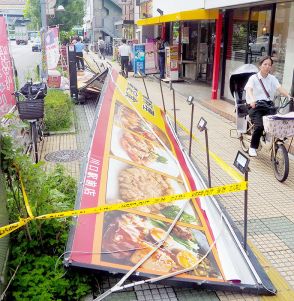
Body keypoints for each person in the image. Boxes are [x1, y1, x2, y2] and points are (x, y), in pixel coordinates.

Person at [245, 56, 291, 157]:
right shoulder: (253, 78)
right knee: (260, 126)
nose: (267, 66)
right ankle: (252, 147)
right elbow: (249, 89)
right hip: (255, 106)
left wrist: (288, 96)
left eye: (269, 65)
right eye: (265, 64)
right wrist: (252, 99)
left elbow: (279, 88)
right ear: (260, 65)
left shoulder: (272, 78)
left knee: (277, 122)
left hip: (268, 106)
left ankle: (273, 142)